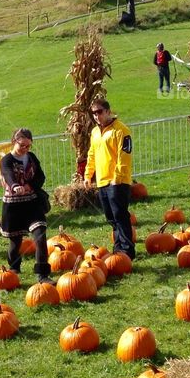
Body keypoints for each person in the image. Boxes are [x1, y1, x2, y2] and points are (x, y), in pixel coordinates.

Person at [84, 99, 136, 259]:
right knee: (111, 217)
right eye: (94, 113)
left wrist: (118, 177)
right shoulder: (95, 132)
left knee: (120, 215)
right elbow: (91, 154)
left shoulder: (121, 130)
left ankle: (127, 251)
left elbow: (124, 156)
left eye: (99, 112)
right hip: (102, 181)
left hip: (117, 181)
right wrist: (88, 174)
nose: (96, 116)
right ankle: (118, 247)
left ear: (108, 111)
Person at [0, 129, 52, 283]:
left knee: (40, 235)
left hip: (32, 203)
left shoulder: (32, 157)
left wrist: (29, 187)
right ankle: (14, 267)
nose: (25, 149)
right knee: (15, 242)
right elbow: (7, 174)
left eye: (28, 146)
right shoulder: (6, 160)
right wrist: (15, 186)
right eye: (22, 145)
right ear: (14, 142)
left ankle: (42, 274)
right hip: (13, 206)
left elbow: (41, 177)